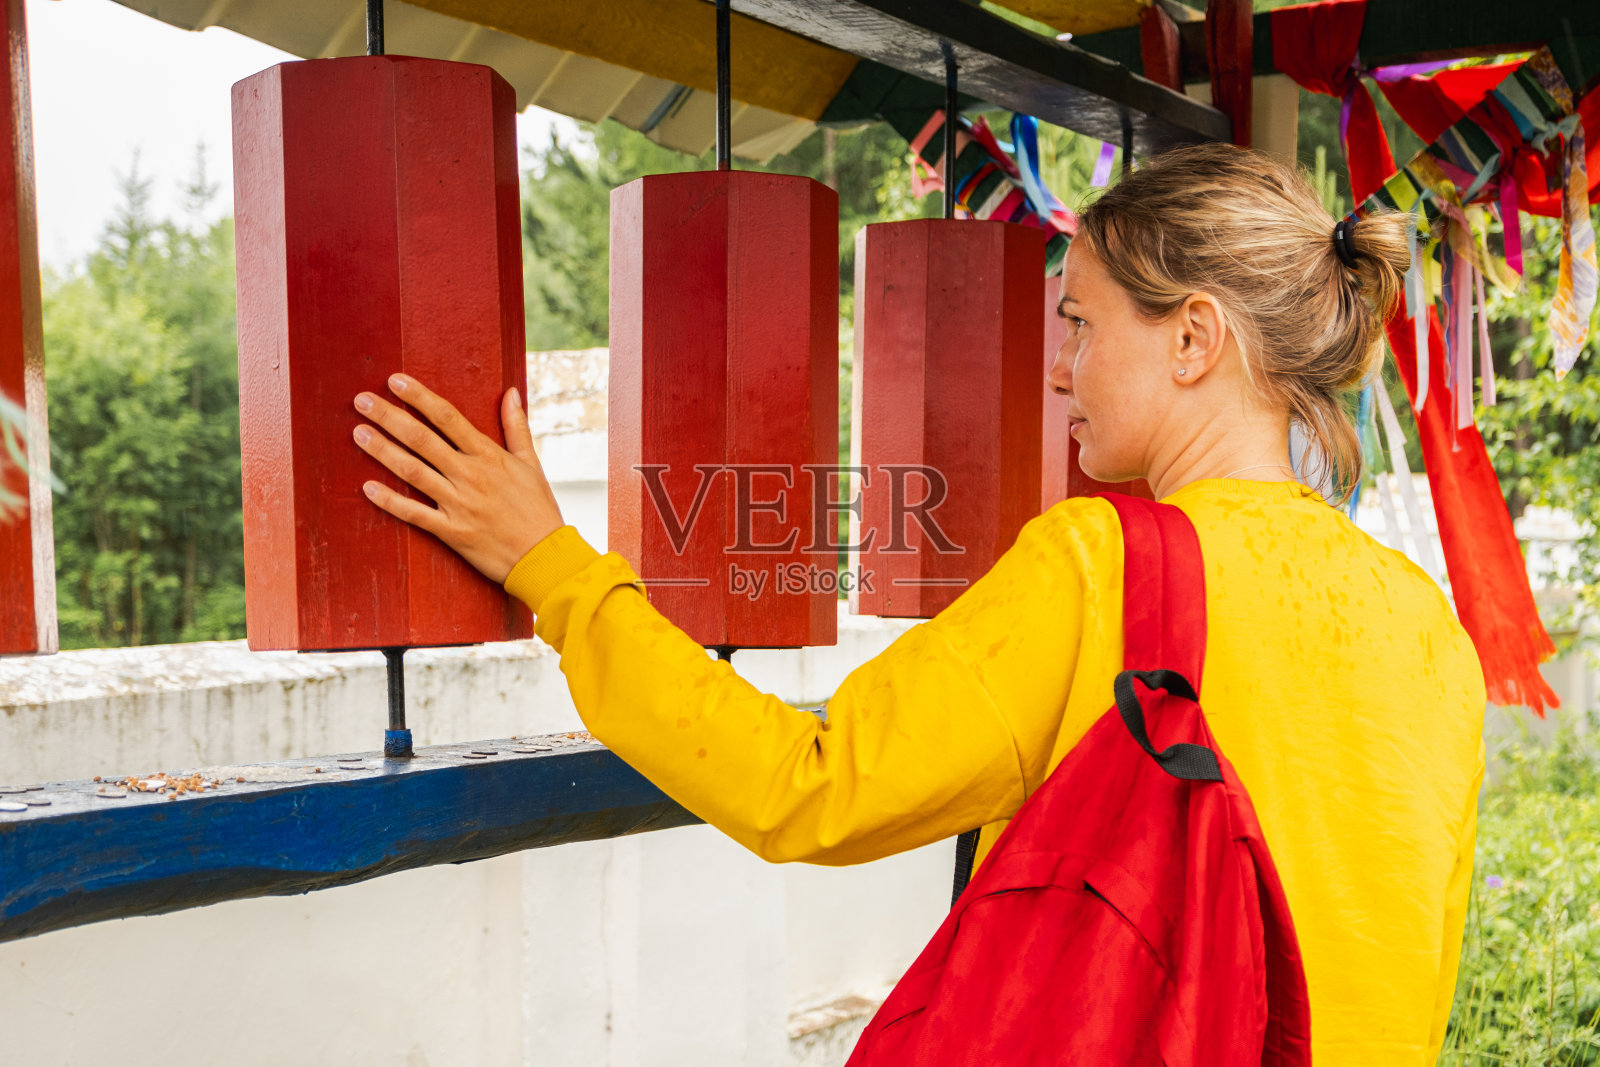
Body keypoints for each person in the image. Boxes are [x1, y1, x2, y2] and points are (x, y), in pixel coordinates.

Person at [349, 142, 1485, 1065]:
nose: (1058, 367)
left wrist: (551, 564)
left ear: (1192, 338)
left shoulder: (1110, 565)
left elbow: (805, 783)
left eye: (1081, 323)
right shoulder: (1426, 623)